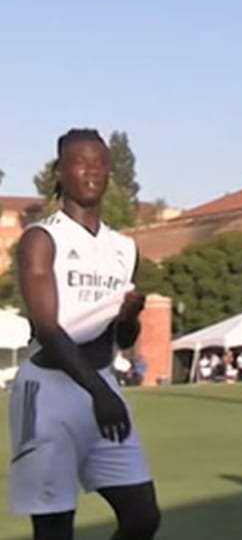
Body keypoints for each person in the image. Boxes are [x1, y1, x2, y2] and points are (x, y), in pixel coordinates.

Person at [7, 128, 160, 540]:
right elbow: (48, 330)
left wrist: (129, 316)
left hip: (101, 384)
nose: (92, 171)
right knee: (55, 528)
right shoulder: (42, 239)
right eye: (80, 162)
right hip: (49, 393)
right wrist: (101, 392)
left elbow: (122, 338)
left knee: (143, 517)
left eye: (100, 163)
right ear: (60, 171)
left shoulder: (124, 247)